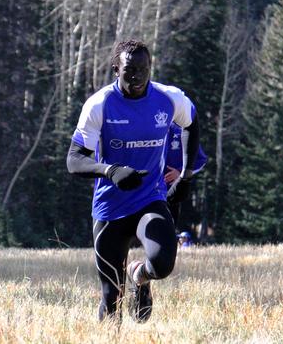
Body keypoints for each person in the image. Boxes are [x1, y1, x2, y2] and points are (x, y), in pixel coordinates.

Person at [66, 39, 201, 323]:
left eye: (144, 69)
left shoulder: (169, 98)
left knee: (163, 264)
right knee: (111, 298)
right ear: (116, 69)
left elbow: (191, 123)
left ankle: (140, 275)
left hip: (149, 200)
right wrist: (110, 171)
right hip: (110, 209)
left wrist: (186, 176)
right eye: (129, 70)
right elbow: (74, 160)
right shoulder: (99, 105)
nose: (137, 76)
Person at [164, 123, 207, 236]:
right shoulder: (146, 128)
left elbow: (201, 160)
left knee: (168, 228)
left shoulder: (182, 131)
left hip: (172, 191)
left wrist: (181, 173)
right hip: (147, 190)